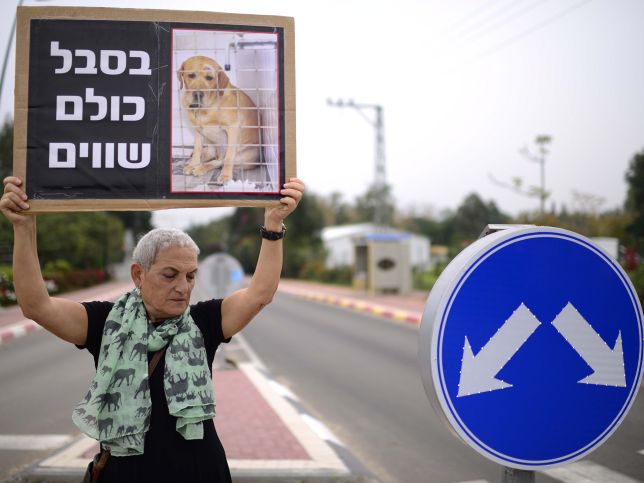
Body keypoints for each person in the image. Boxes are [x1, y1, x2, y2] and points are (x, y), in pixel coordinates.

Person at [0, 175, 304, 482]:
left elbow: (260, 293)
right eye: (170, 275)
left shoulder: (205, 322)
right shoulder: (106, 323)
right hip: (126, 474)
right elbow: (36, 306)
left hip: (199, 472)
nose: (183, 287)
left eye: (190, 276)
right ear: (138, 274)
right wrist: (23, 227)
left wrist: (274, 226)